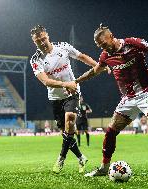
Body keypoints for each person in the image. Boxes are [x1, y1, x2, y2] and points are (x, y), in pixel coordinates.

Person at [69, 24, 148, 179]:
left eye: (104, 44)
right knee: (110, 132)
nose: (103, 48)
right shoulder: (105, 56)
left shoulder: (132, 43)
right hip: (128, 99)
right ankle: (104, 168)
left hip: (147, 93)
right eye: (99, 46)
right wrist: (76, 81)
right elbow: (94, 71)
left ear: (111, 36)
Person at [30, 25, 101, 174]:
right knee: (66, 133)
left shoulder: (63, 47)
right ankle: (81, 157)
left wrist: (98, 65)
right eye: (38, 41)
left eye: (43, 38)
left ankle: (61, 158)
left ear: (47, 36)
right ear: (34, 42)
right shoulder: (35, 60)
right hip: (55, 97)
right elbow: (45, 81)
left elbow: (81, 56)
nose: (42, 42)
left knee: (70, 119)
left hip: (73, 93)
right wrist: (64, 84)